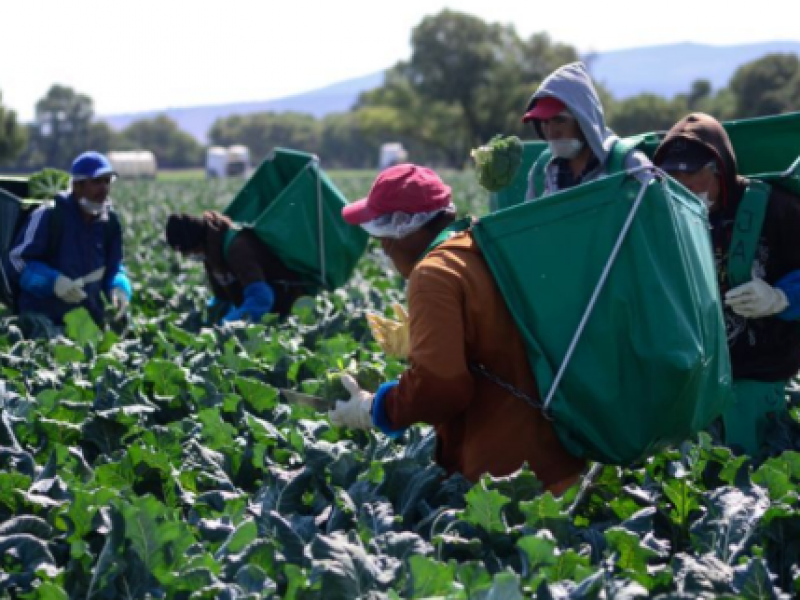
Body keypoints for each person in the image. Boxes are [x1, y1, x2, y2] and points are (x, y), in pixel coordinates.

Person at [329, 163, 585, 493]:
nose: (382, 246)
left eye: (382, 234)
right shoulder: (485, 245)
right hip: (561, 456)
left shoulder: (433, 274)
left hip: (506, 477)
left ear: (406, 227)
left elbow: (443, 385)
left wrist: (377, 407)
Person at [653, 112, 800, 456]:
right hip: (696, 387)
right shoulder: (661, 217)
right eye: (674, 183)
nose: (684, 193)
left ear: (720, 169)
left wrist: (781, 297)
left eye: (693, 182)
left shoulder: (777, 208)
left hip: (765, 381)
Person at [8, 151, 131, 336]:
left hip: (87, 321)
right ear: (77, 186)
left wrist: (119, 286)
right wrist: (53, 281)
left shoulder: (110, 221)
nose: (104, 188)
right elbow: (17, 261)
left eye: (107, 181)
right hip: (44, 319)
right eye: (97, 182)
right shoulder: (49, 215)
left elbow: (114, 266)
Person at [522, 62, 650, 200]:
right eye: (544, 122)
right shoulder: (542, 172)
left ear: (584, 120)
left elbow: (658, 214)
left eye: (559, 120)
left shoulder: (629, 165)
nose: (551, 132)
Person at [165, 211, 308, 322]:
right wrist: (206, 322)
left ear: (195, 244)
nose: (188, 256)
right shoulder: (210, 254)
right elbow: (222, 301)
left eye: (187, 252)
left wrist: (227, 326)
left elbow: (262, 298)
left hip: (287, 309)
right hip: (266, 313)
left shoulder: (237, 248)